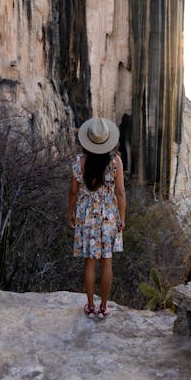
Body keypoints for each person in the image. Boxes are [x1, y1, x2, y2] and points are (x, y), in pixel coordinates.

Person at [68, 116, 126, 319]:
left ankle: (90, 306)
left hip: (85, 216)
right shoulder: (115, 161)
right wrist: (122, 217)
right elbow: (120, 193)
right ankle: (103, 307)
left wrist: (71, 212)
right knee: (107, 262)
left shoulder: (79, 162)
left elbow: (73, 192)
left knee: (90, 263)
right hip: (109, 215)